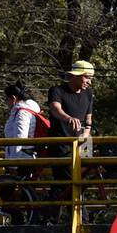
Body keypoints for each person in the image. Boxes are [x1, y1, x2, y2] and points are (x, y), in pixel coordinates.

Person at [42, 61, 96, 223]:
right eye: (87, 77)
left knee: (65, 184)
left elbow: (89, 119)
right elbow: (55, 109)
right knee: (71, 181)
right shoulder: (57, 91)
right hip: (61, 145)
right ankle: (82, 220)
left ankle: (49, 218)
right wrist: (68, 118)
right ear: (76, 76)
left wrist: (85, 135)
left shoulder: (88, 94)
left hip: (82, 144)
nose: (89, 81)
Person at [2, 81, 46, 161]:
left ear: (13, 98)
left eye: (6, 99)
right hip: (24, 157)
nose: (6, 102)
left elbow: (20, 139)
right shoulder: (23, 112)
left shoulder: (22, 114)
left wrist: (13, 164)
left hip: (22, 159)